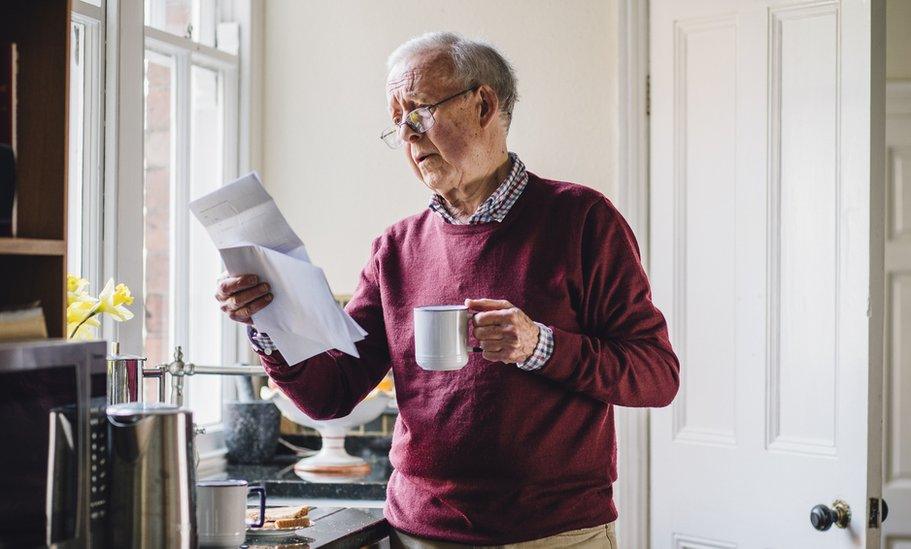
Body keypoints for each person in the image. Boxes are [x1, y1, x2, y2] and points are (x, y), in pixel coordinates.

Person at [215, 31, 679, 549]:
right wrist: (270, 324)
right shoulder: (395, 248)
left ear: (484, 104)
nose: (408, 135)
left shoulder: (583, 220)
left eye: (419, 111)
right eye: (397, 122)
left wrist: (538, 345)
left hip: (553, 535)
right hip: (418, 533)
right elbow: (332, 394)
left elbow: (657, 375)